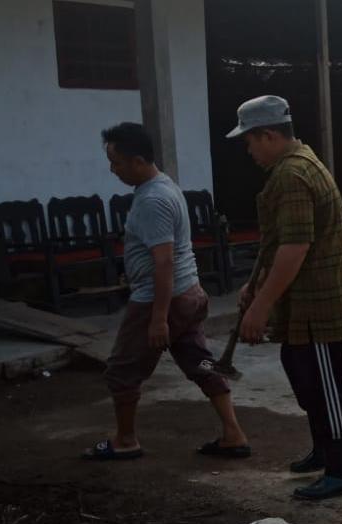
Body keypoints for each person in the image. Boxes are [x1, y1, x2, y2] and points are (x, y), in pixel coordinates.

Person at [84, 122, 249, 462]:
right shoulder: (163, 187)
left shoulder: (153, 200)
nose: (112, 169)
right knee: (201, 363)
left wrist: (158, 319)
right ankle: (233, 434)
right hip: (188, 293)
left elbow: (164, 263)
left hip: (161, 299)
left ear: (139, 160)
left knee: (121, 369)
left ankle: (125, 440)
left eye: (116, 162)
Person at [229, 95, 342, 501]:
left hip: (317, 302)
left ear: (268, 135)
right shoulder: (299, 162)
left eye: (250, 141)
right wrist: (256, 286)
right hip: (307, 298)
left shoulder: (292, 175)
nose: (249, 151)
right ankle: (324, 449)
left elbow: (295, 247)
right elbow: (282, 244)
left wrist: (261, 305)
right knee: (304, 374)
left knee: (325, 384)